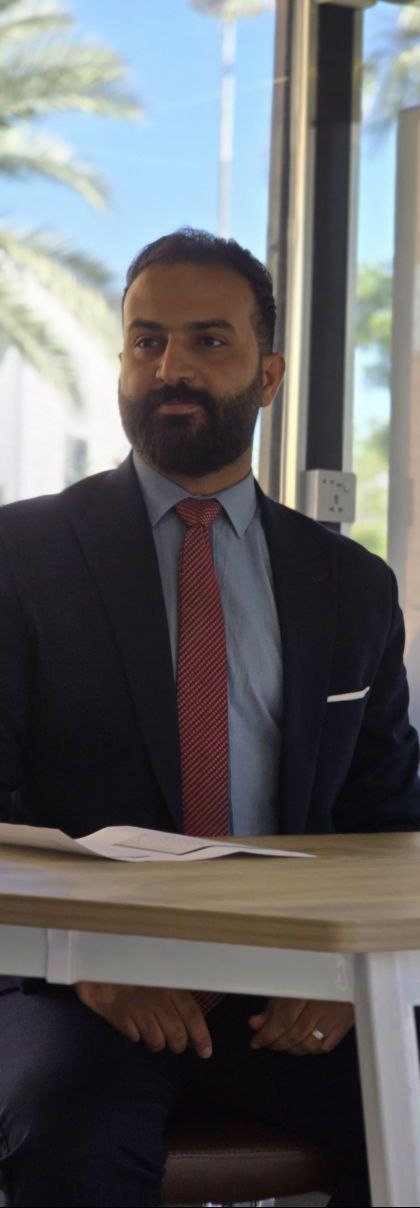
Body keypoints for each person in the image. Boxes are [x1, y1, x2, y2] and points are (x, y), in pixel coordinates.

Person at [0, 228, 419, 1208]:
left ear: (268, 375)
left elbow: (390, 820)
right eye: (146, 341)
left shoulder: (351, 586)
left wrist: (350, 981)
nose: (170, 368)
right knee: (69, 1139)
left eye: (207, 341)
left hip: (290, 988)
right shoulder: (19, 556)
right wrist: (97, 962)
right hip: (75, 988)